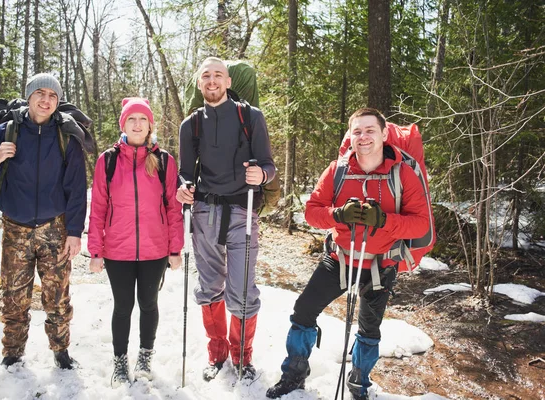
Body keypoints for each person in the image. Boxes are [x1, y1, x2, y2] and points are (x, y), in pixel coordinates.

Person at [266, 108, 430, 400]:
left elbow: (420, 223)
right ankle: (293, 374)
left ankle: (359, 383)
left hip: (381, 264)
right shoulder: (337, 170)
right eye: (357, 131)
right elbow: (312, 213)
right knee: (303, 311)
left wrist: (384, 221)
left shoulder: (402, 173)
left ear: (383, 134)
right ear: (350, 135)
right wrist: (338, 214)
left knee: (369, 328)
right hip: (339, 259)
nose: (363, 137)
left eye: (370, 131)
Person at [0, 73, 86, 370]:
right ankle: (12, 352)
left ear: (58, 101)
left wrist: (74, 232)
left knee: (58, 296)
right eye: (40, 93)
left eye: (52, 95)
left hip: (55, 227)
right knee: (13, 295)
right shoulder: (6, 131)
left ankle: (61, 350)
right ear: (29, 96)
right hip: (15, 227)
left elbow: (77, 188)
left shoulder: (67, 136)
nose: (46, 100)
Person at [176, 57, 276, 381]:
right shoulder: (189, 125)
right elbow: (184, 173)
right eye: (206, 75)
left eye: (218, 75)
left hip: (241, 213)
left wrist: (261, 173)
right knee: (208, 288)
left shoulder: (251, 116)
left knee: (243, 291)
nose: (213, 80)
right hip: (204, 212)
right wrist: (182, 189)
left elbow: (269, 166)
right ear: (199, 83)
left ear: (228, 81)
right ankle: (217, 355)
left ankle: (242, 358)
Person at [88, 97, 184, 387]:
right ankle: (120, 361)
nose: (137, 124)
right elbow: (99, 208)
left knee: (149, 303)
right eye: (132, 119)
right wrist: (95, 250)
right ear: (124, 124)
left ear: (150, 125)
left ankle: (145, 356)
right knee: (123, 305)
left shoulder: (165, 161)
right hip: (118, 249)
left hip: (155, 249)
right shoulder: (108, 160)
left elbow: (172, 207)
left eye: (143, 119)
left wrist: (175, 248)